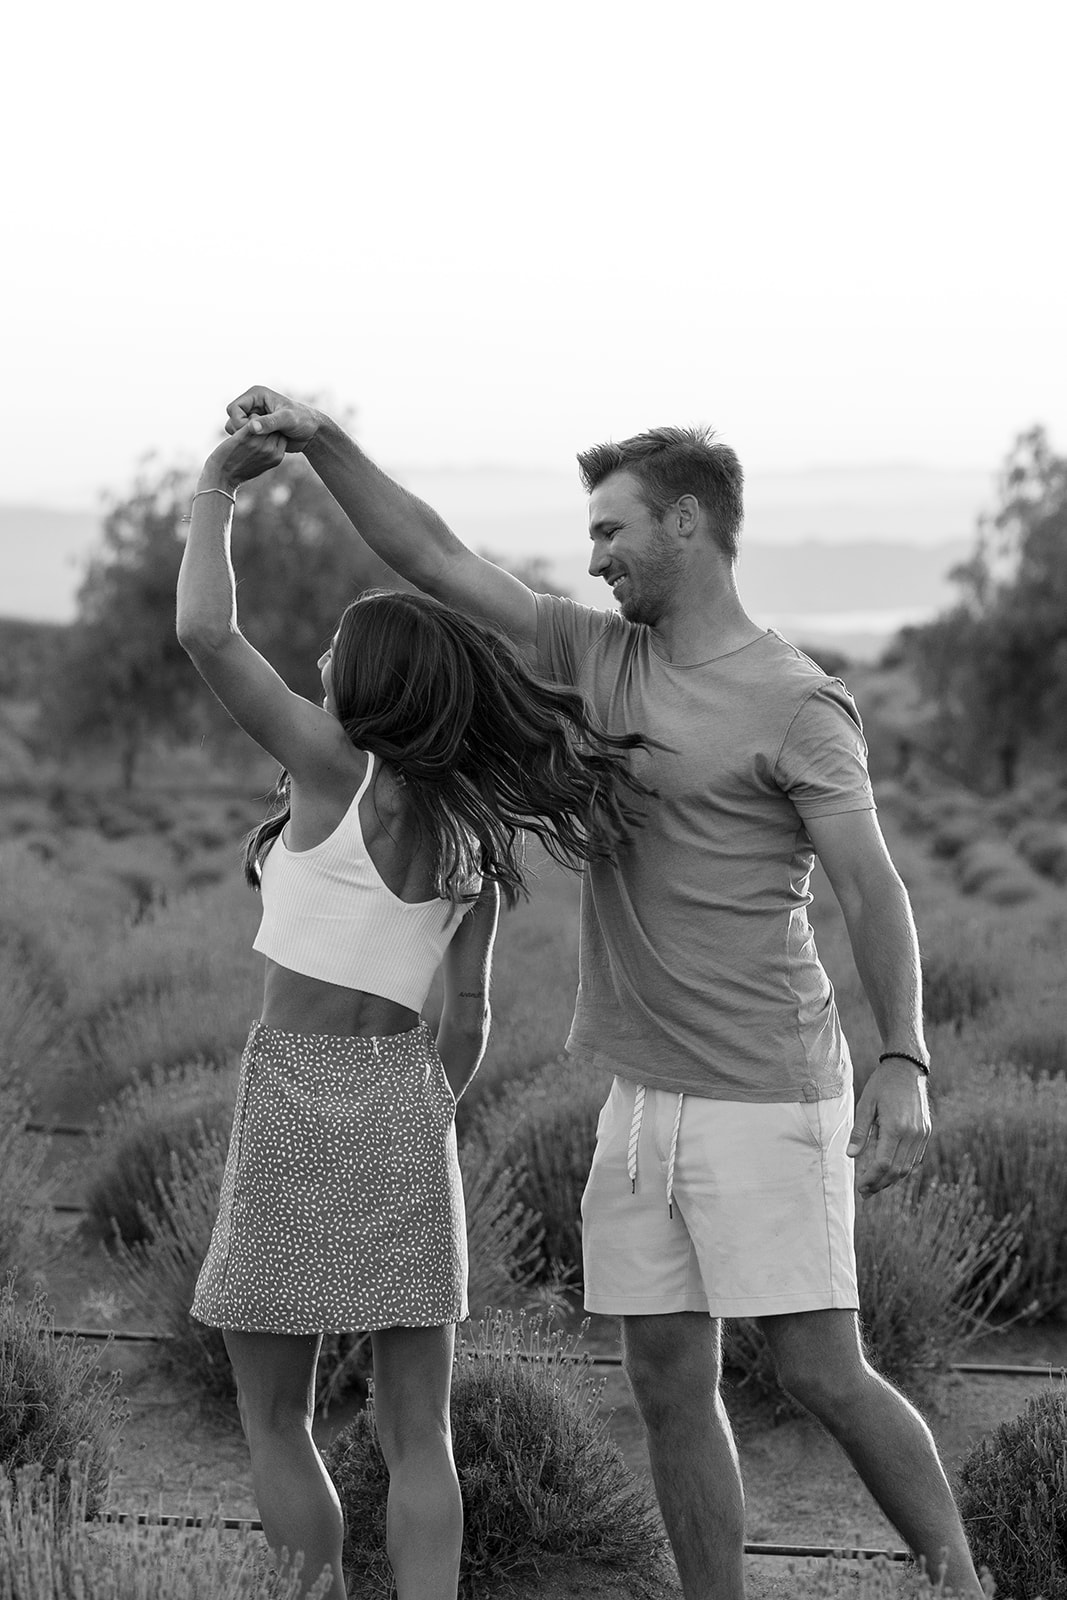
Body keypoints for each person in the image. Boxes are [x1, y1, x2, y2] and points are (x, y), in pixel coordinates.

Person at [221, 390, 985, 1600]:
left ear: (686, 523)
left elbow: (868, 883)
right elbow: (426, 554)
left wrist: (903, 1055)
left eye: (611, 530)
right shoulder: (594, 653)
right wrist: (316, 440)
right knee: (667, 1386)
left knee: (819, 1368)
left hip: (764, 1082)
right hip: (639, 1094)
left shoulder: (797, 701)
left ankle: (959, 1578)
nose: (592, 557)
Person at [175, 421, 653, 1600]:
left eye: (338, 657)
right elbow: (471, 1013)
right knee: (415, 1431)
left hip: (290, 1091)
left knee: (277, 1418)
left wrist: (212, 491)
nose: (323, 673)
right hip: (404, 1103)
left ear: (371, 683)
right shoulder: (472, 839)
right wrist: (418, 1108)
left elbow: (202, 631)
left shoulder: (330, 768)